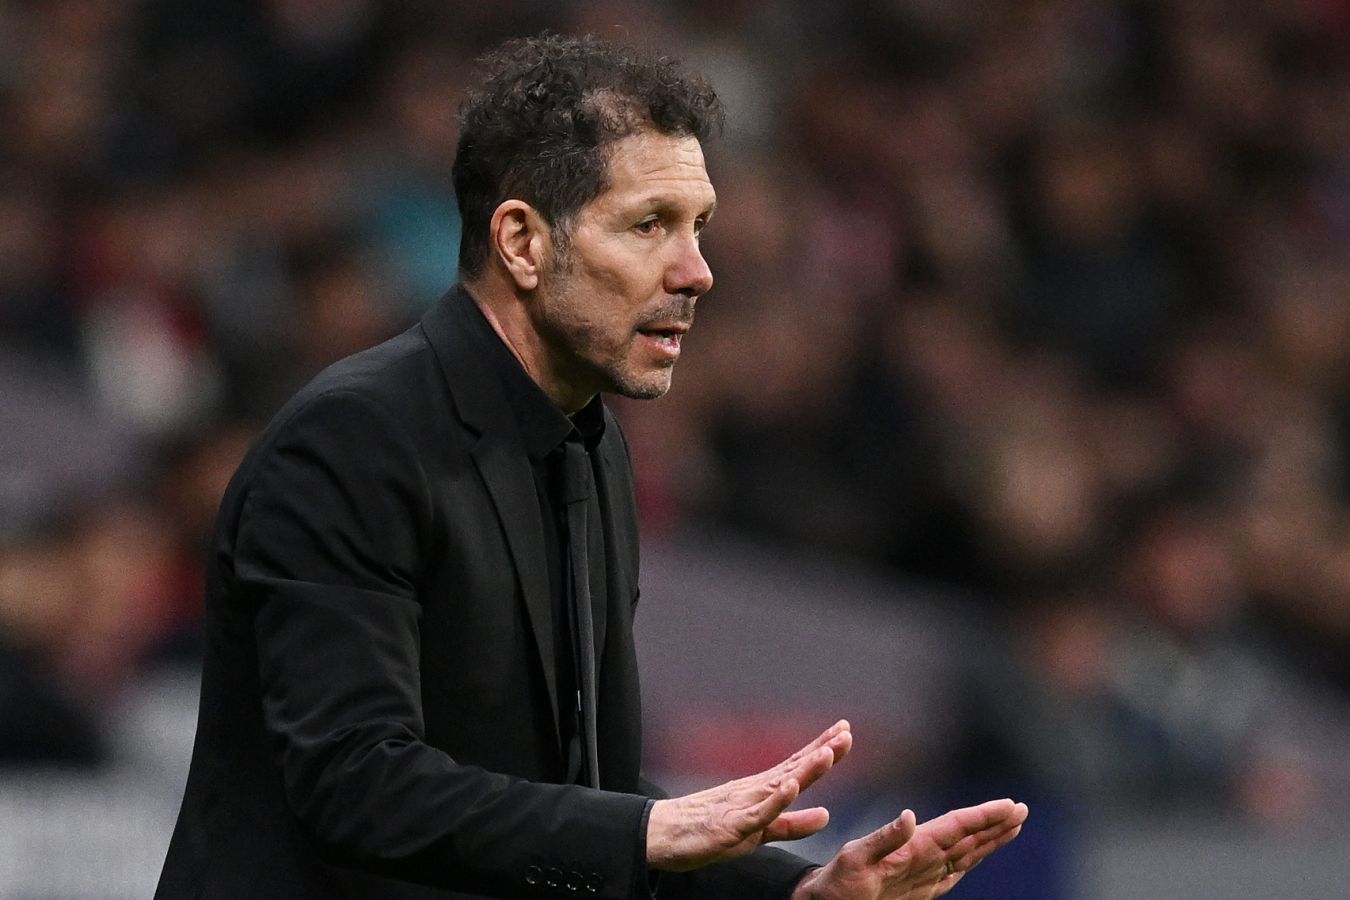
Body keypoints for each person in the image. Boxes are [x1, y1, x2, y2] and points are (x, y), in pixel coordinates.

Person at [156, 33, 1027, 900]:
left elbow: (588, 797)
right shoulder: (352, 441)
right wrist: (644, 832)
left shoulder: (595, 449)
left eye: (698, 227)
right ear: (523, 243)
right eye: (650, 225)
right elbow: (355, 781)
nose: (698, 272)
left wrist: (798, 892)